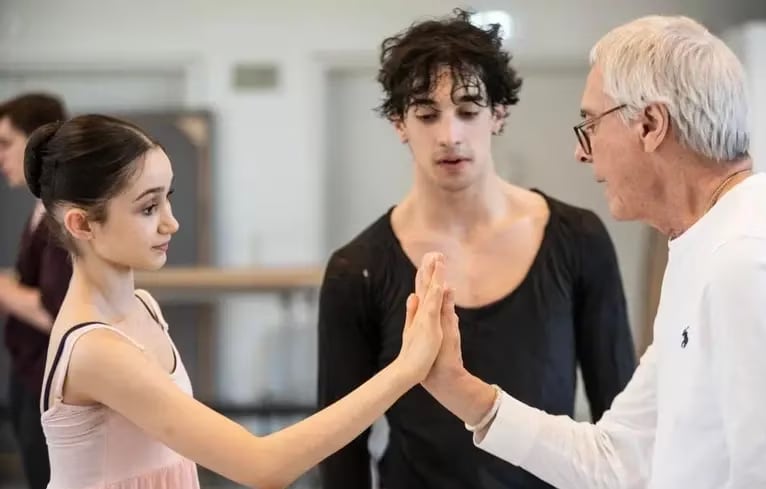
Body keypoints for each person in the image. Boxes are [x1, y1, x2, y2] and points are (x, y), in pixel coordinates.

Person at [421, 14, 766, 489]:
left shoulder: (745, 261)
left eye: (591, 124)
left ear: (650, 124)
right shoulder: (700, 251)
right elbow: (615, 459)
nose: (583, 153)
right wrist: (457, 387)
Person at [27, 114, 450, 489]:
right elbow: (263, 466)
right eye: (148, 207)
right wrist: (405, 370)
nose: (171, 222)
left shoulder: (143, 307)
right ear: (82, 224)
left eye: (168, 197)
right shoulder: (96, 351)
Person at [317, 8, 636, 489]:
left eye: (468, 111)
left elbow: (620, 418)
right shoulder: (356, 269)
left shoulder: (578, 239)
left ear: (498, 115)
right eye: (427, 114)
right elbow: (341, 449)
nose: (450, 135)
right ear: (399, 122)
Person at [0, 93, 72, 489]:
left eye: (7, 143)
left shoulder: (61, 213)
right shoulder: (41, 209)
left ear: (36, 142)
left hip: (50, 379)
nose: (1, 157)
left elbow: (55, 311)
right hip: (32, 374)